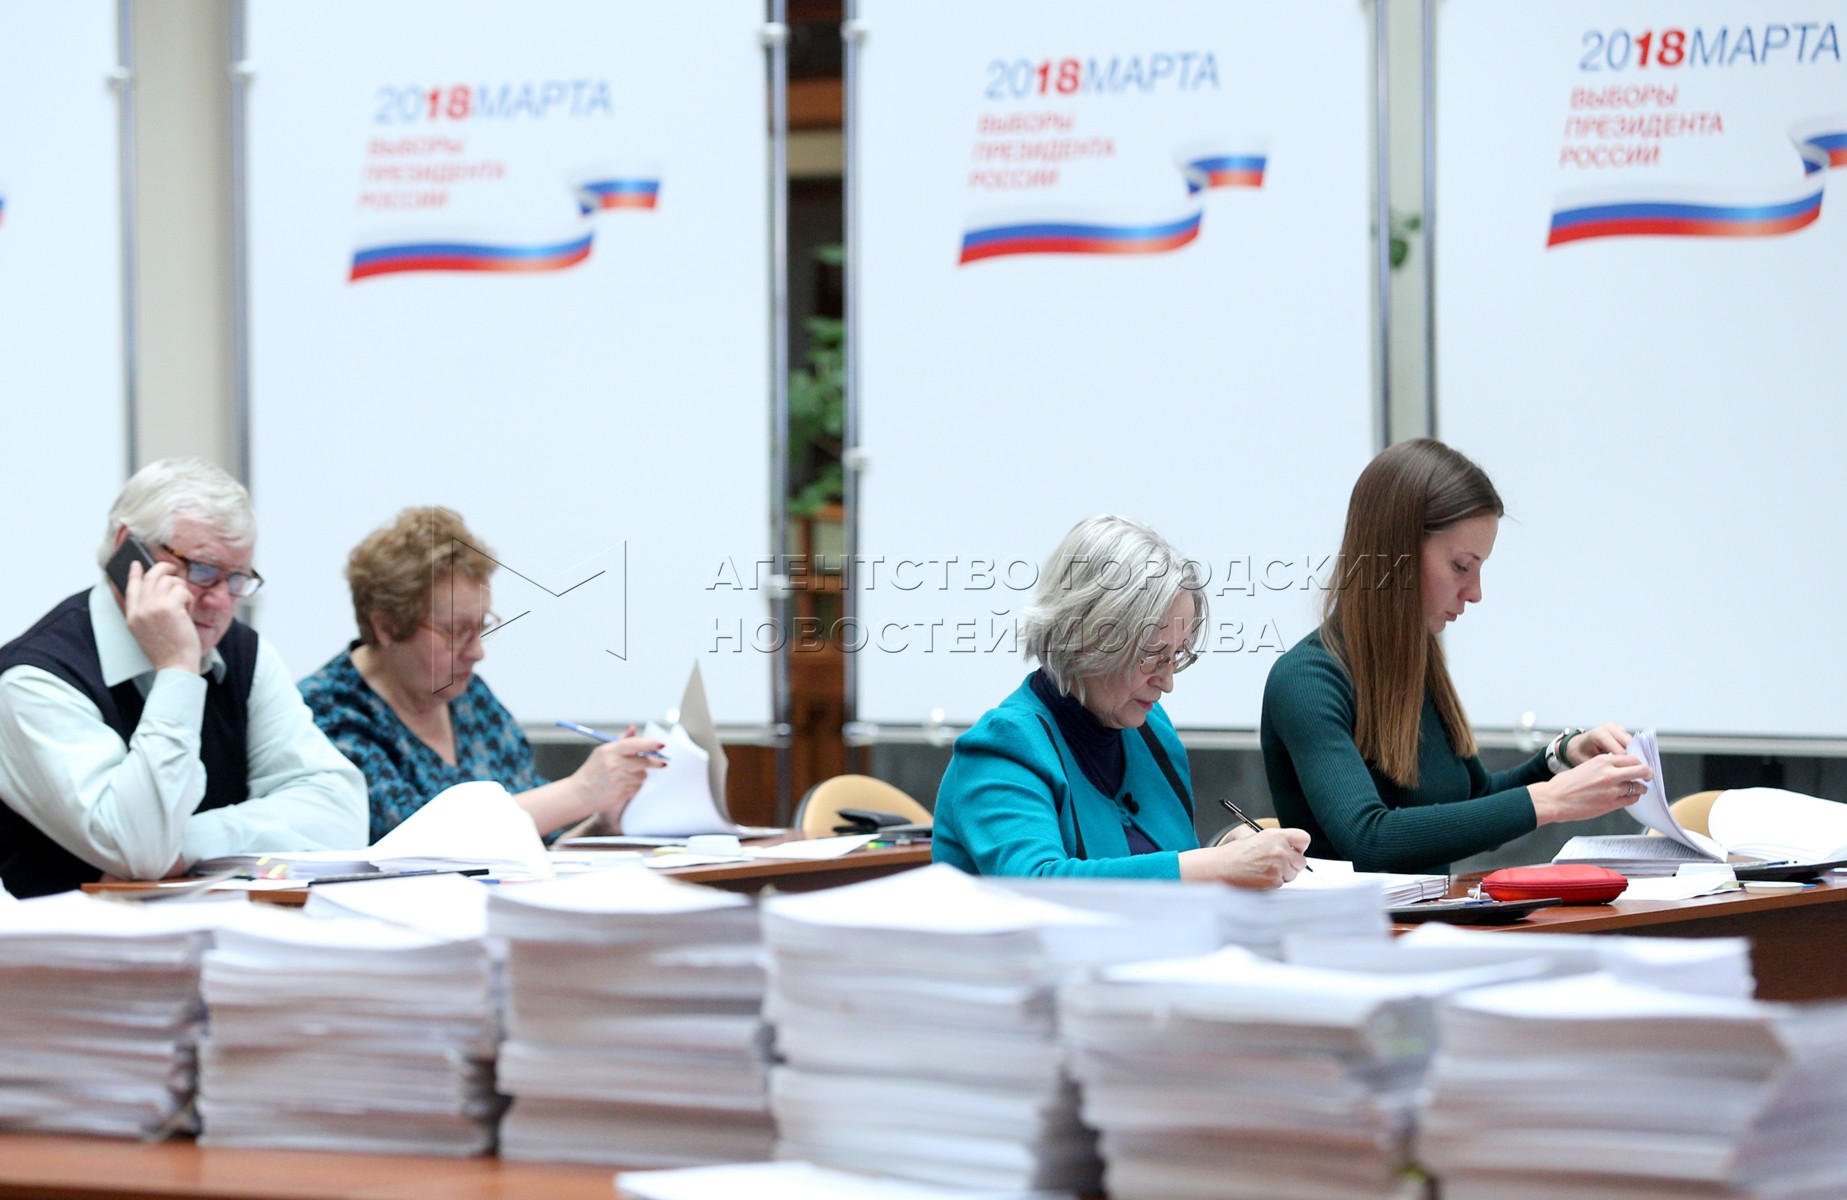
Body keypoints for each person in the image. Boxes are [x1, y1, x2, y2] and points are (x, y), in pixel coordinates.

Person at [1260, 438, 1652, 874]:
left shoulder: (1416, 666)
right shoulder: (1306, 681)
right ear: (1396, 556)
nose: (1475, 592)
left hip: (1429, 915)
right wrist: (1550, 800)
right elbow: (1368, 838)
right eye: (1462, 566)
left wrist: (1559, 758)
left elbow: (1473, 804)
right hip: (1351, 919)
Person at [0, 458, 367, 898]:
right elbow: (141, 850)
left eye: (236, 579)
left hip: (230, 931)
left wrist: (193, 843)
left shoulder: (243, 655)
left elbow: (341, 811)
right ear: (127, 550)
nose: (220, 602)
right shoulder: (34, 678)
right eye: (203, 571)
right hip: (65, 940)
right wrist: (177, 668)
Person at [934, 515, 1310, 884]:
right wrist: (1215, 865)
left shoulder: (1150, 728)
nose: (1167, 683)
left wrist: (1225, 849)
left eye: (1177, 655)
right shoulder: (1002, 747)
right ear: (1083, 639)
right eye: (1153, 656)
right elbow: (1038, 884)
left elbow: (1168, 865)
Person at [300, 507, 662, 842]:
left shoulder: (469, 697)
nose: (477, 652)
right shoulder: (324, 714)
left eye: (481, 627)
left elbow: (536, 848)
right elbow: (413, 844)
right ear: (387, 627)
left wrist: (603, 823)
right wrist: (580, 791)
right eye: (456, 632)